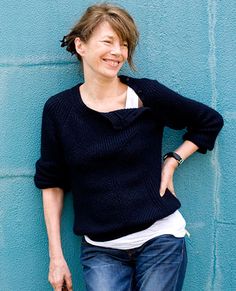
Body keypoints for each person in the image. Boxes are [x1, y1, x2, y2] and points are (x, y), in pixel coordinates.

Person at [34, 3, 224, 291]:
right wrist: (56, 257)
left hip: (160, 239)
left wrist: (173, 159)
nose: (118, 52)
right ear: (81, 45)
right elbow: (52, 183)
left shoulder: (146, 94)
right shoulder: (59, 110)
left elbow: (209, 121)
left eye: (124, 44)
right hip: (101, 251)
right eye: (108, 41)